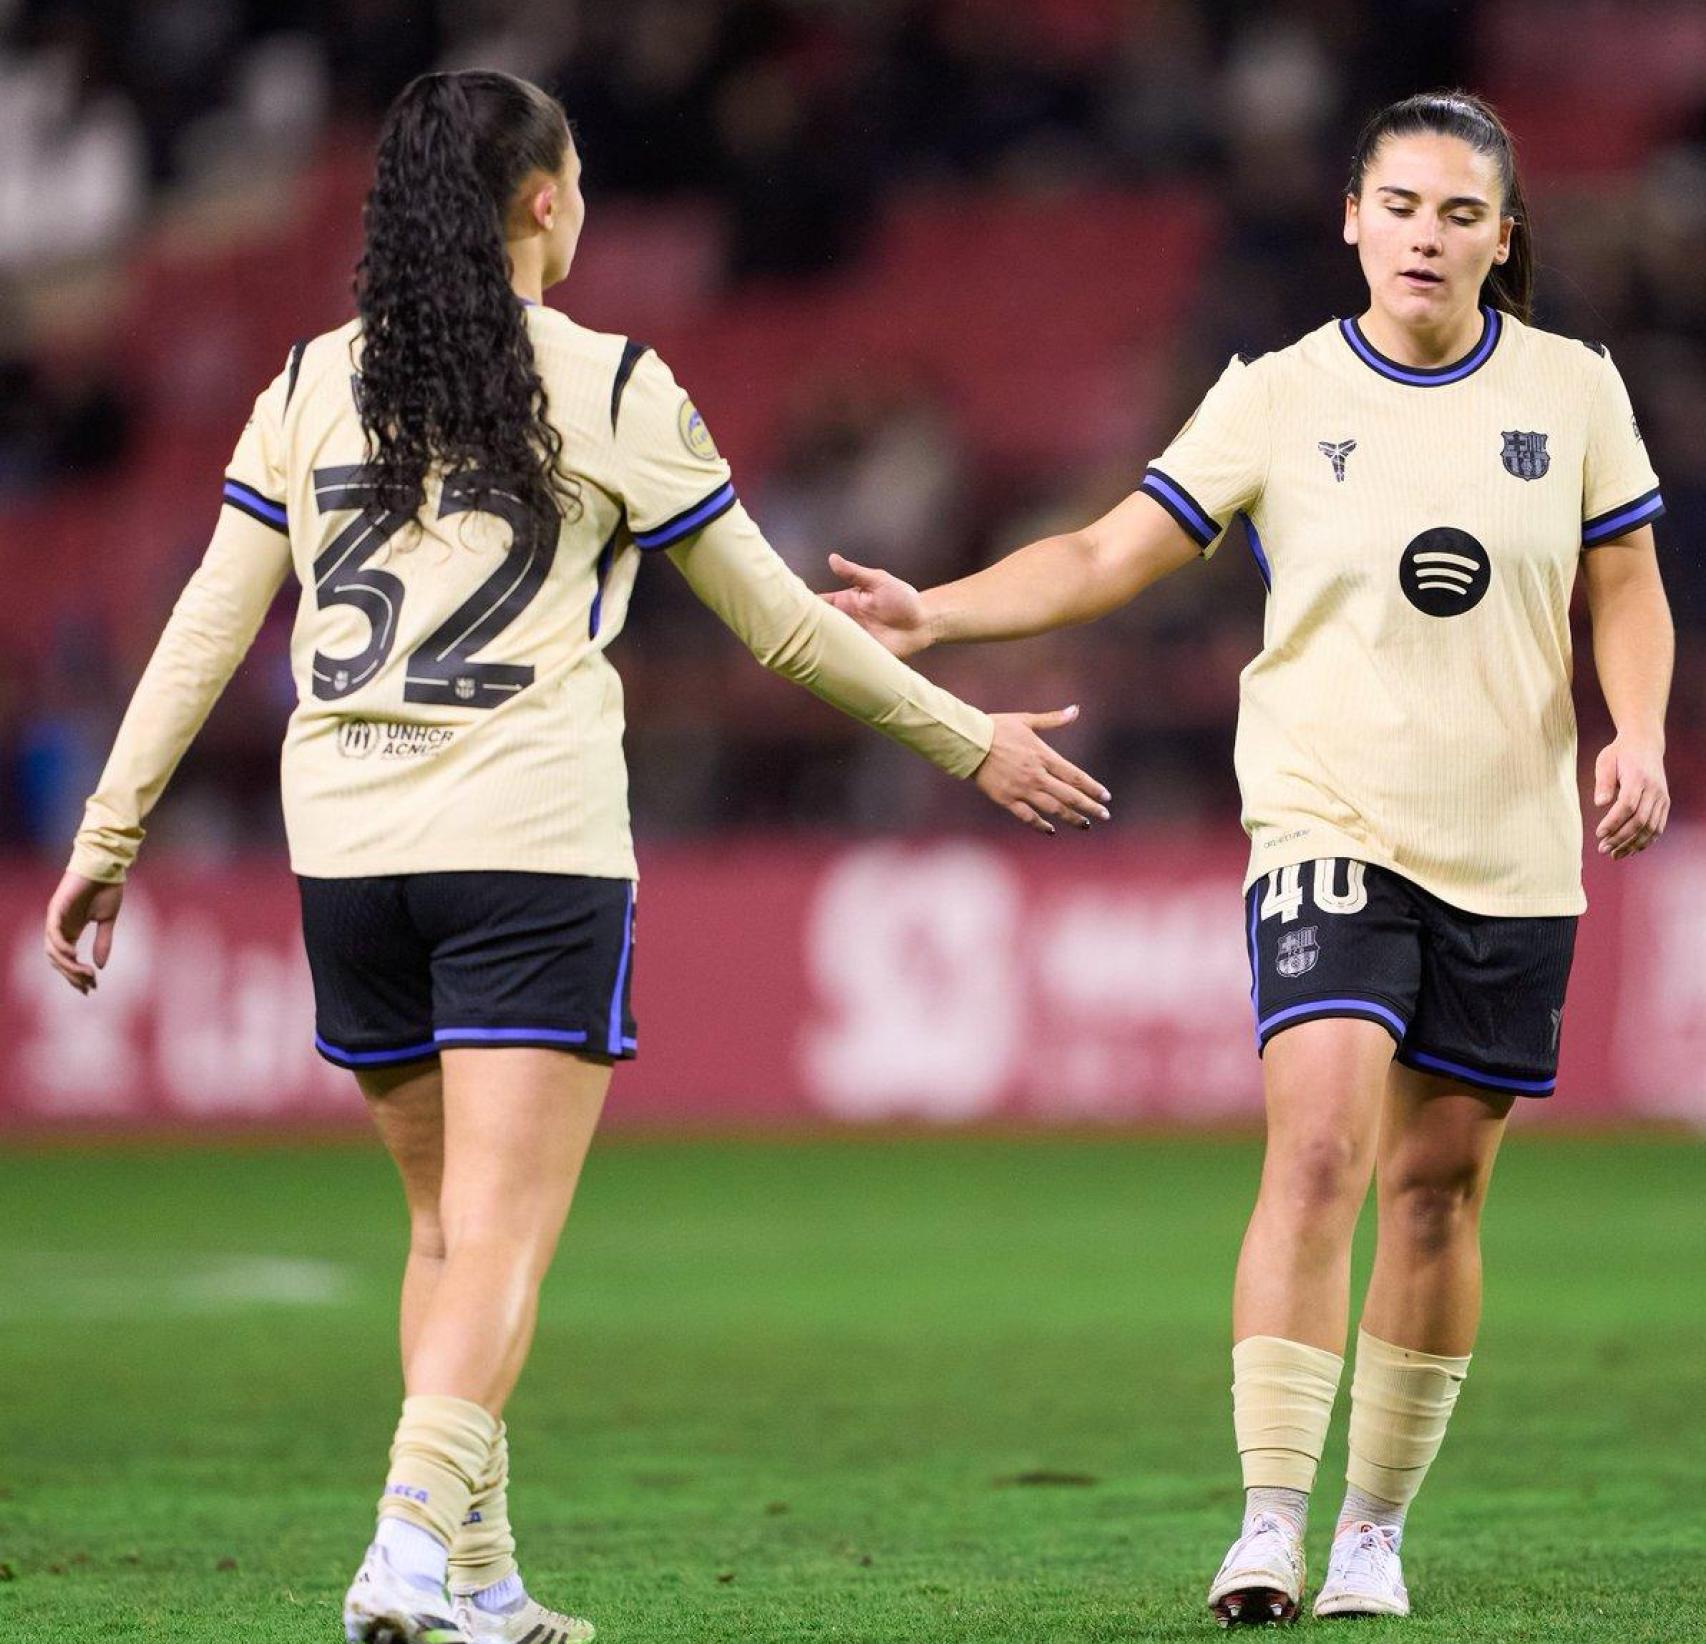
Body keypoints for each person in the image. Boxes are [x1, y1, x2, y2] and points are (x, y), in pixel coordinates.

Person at [41, 70, 1111, 1644]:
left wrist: (106, 830)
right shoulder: (610, 386)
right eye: (582, 177)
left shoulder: (309, 382)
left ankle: (480, 1579)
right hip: (526, 847)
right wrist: (972, 738)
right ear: (544, 200)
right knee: (505, 1244)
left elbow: (212, 615)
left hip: (347, 849)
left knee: (438, 1235)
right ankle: (405, 1548)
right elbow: (783, 632)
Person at [824, 90, 1672, 1626]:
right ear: (1350, 219)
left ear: (1502, 238)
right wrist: (936, 614)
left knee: (1434, 1192)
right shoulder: (1273, 397)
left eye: (1458, 213)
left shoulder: (1574, 391)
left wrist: (1636, 727)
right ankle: (1267, 1524)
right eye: (1399, 206)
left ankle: (1370, 1537)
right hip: (1326, 821)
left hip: (1511, 846)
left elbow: (1624, 579)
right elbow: (1102, 552)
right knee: (1321, 1150)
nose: (1425, 235)